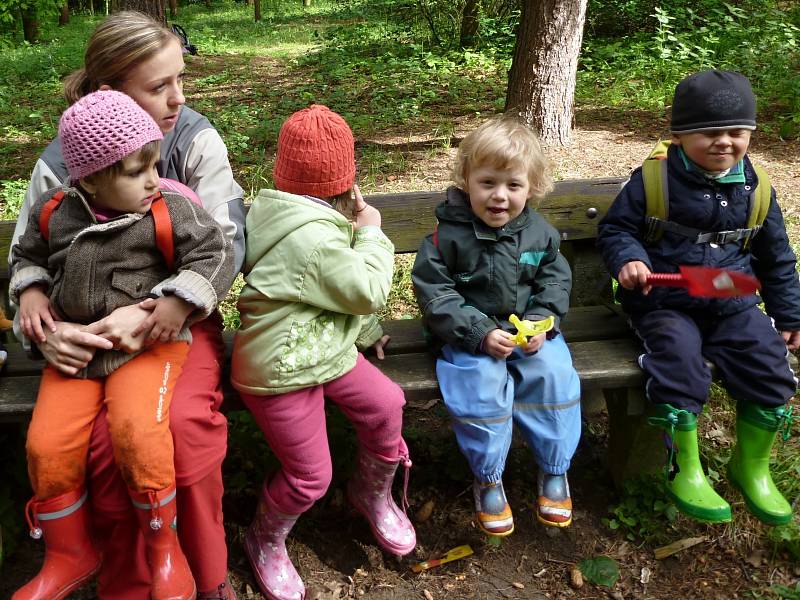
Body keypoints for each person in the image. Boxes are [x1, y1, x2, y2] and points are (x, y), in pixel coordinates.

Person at [10, 11, 245, 600]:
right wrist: (39, 316)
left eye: (180, 79)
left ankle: (201, 574)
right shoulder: (67, 158)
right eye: (158, 85)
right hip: (85, 340)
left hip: (177, 328)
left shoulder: (194, 140)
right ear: (110, 90)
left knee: (179, 429)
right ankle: (121, 581)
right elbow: (28, 254)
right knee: (89, 442)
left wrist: (156, 310)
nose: (177, 98)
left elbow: (226, 245)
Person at [597, 70, 799, 525]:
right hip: (665, 302)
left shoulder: (757, 188)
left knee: (769, 363)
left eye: (736, 132)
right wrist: (629, 261)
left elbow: (777, 258)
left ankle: (752, 467)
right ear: (679, 133)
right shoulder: (655, 181)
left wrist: (790, 314)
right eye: (710, 132)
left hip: (733, 302)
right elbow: (616, 229)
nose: (724, 142)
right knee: (678, 359)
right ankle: (683, 465)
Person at [231, 104, 416, 600]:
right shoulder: (312, 237)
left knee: (386, 405)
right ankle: (264, 538)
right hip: (282, 369)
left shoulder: (292, 218)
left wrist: (366, 329)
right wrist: (372, 231)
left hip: (324, 349)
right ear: (345, 186)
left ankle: (370, 493)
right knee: (311, 476)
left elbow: (321, 294)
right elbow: (364, 287)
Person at [411, 116, 582, 535]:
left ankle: (554, 468)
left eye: (513, 185)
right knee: (480, 387)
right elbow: (436, 293)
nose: (499, 197)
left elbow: (554, 279)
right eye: (487, 183)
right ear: (466, 179)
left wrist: (543, 321)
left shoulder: (539, 233)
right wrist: (478, 332)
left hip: (528, 336)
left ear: (532, 188)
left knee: (554, 375)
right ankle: (488, 476)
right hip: (467, 336)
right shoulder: (446, 236)